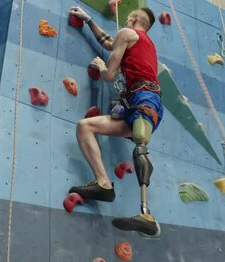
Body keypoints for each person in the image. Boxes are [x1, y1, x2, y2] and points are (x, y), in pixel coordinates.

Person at [67, 5, 163, 237]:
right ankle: (103, 184)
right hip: (144, 101)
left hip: (143, 98)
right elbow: (109, 44)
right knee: (85, 127)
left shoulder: (127, 34)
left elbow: (109, 74)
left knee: (140, 144)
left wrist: (102, 67)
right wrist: (89, 20)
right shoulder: (145, 44)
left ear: (133, 18)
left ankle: (146, 214)